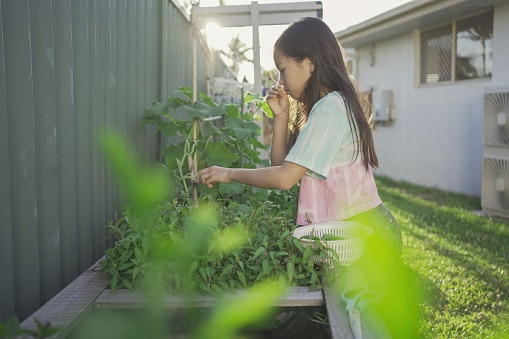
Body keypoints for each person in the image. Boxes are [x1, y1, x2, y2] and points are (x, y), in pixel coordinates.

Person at [197, 17, 414, 337]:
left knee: (366, 328)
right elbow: (287, 167)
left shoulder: (330, 109)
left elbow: (284, 178)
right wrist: (281, 118)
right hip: (354, 233)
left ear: (309, 63)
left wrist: (229, 173)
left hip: (365, 236)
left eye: (282, 68)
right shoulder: (329, 106)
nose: (279, 79)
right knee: (356, 325)